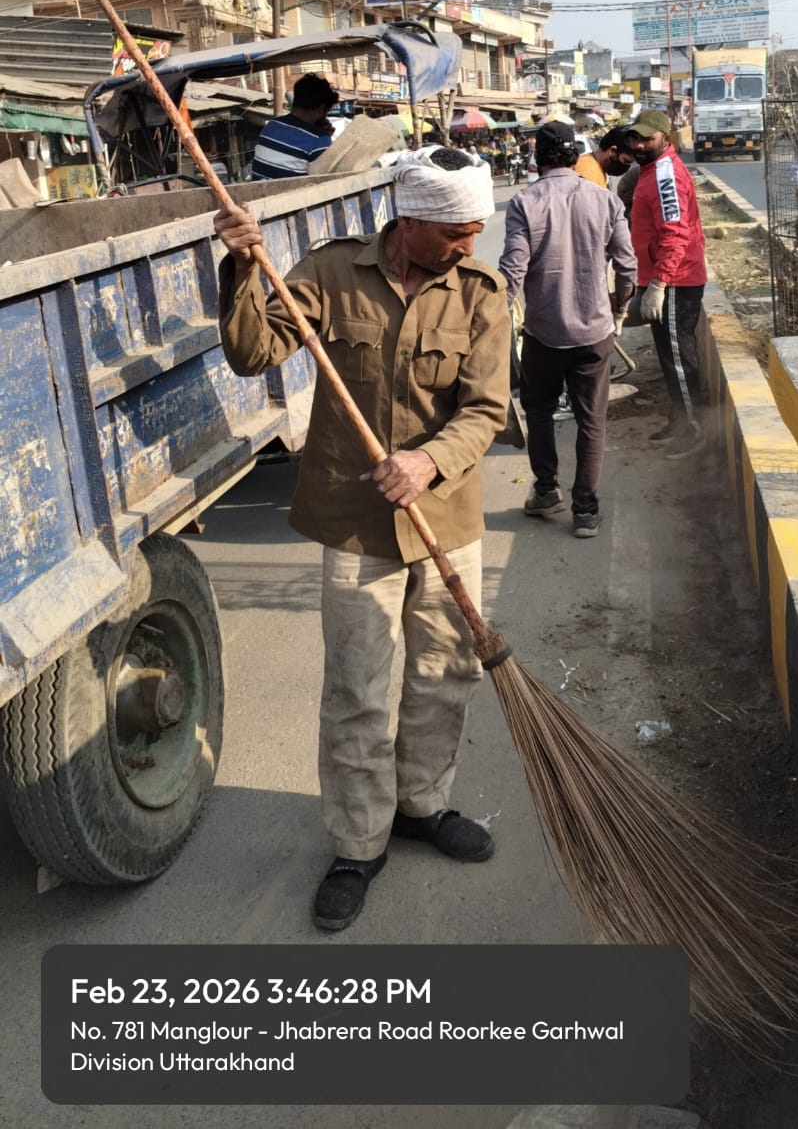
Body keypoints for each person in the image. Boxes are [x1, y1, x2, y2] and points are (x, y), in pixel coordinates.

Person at [215, 148, 510, 932]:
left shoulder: (481, 292)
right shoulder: (329, 272)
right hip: (352, 520)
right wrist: (242, 267)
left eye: (475, 230)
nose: (469, 245)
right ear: (409, 220)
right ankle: (357, 843)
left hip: (445, 517)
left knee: (444, 673)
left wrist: (427, 460)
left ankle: (422, 805)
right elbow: (252, 352)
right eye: (455, 232)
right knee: (356, 688)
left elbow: (485, 410)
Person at [498, 121, 637, 538]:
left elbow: (512, 272)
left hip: (543, 333)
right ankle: (585, 511)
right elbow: (626, 265)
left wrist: (495, 320)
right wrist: (620, 307)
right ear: (574, 154)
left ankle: (546, 490)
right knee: (592, 420)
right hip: (594, 332)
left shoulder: (524, 203)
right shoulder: (605, 200)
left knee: (539, 411)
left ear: (537, 157)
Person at [627, 109, 708, 461]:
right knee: (670, 357)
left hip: (676, 280)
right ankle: (679, 421)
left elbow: (675, 234)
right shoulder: (652, 170)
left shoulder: (665, 175)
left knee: (678, 360)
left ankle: (694, 430)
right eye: (635, 138)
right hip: (666, 277)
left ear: (665, 138)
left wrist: (660, 283)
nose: (639, 144)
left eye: (647, 138)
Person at [251, 73, 339, 181]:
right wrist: (325, 139)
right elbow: (324, 180)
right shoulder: (319, 140)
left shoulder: (271, 126)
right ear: (321, 109)